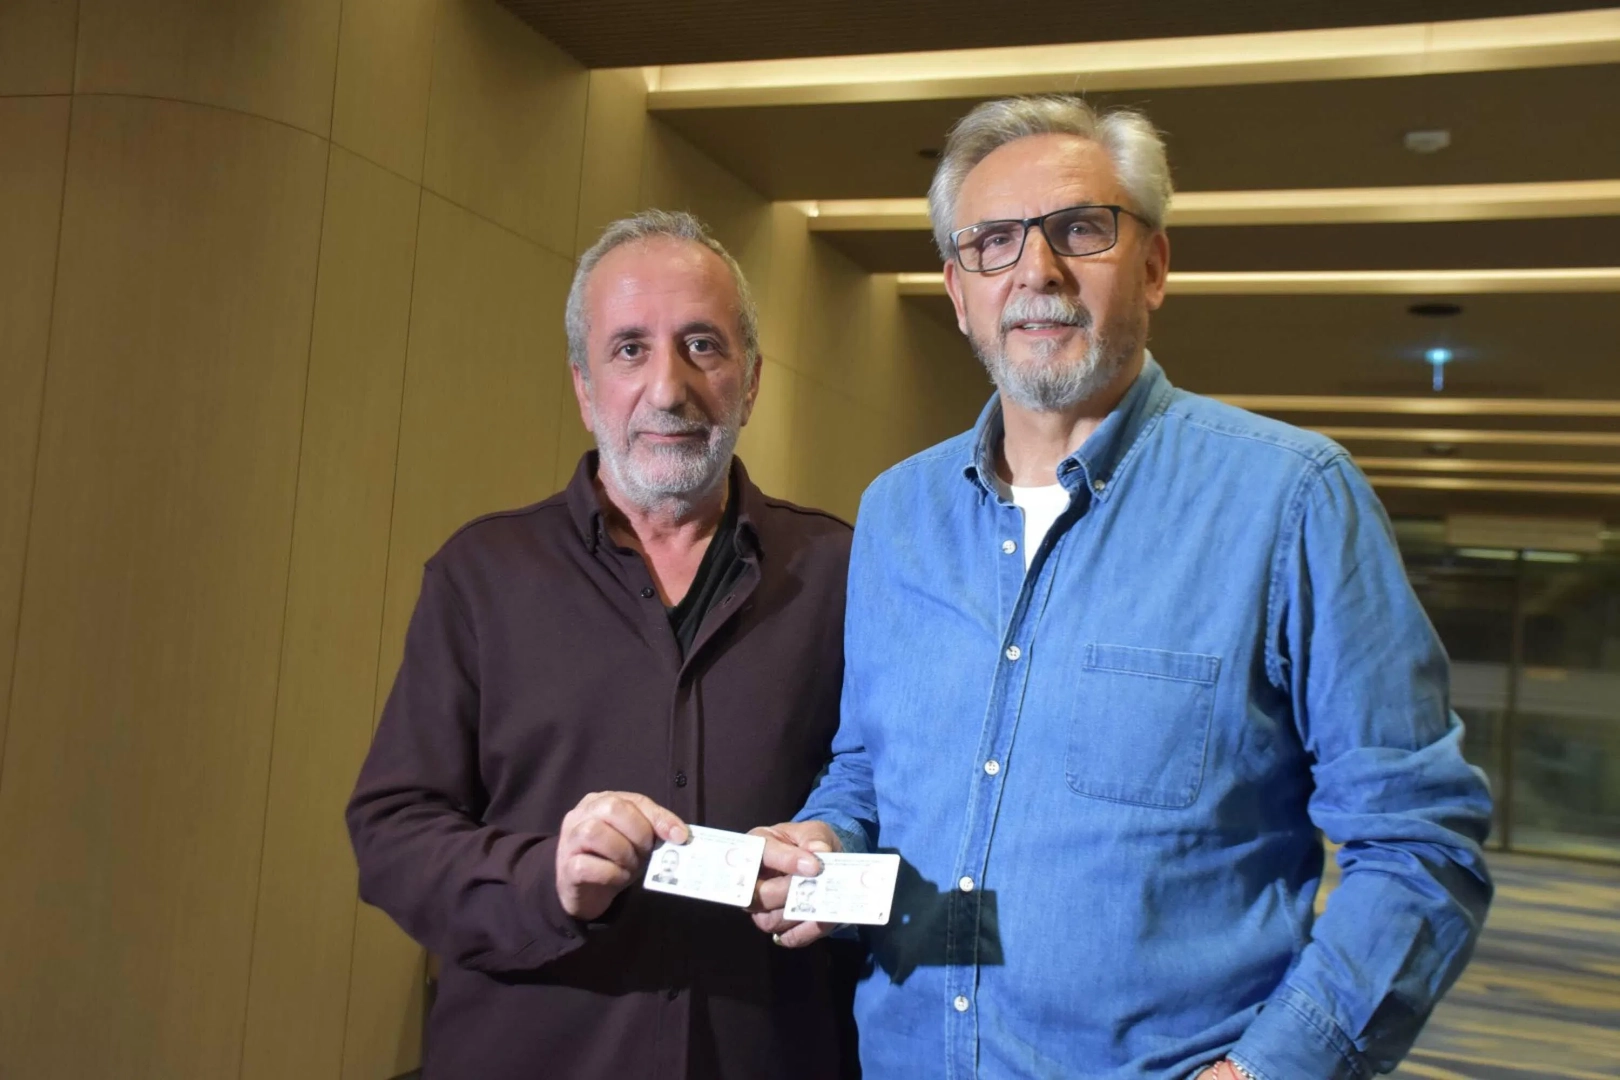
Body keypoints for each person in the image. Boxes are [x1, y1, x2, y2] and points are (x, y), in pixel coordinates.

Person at [750, 96, 1494, 1080]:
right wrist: (827, 832)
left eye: (1080, 230)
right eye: (993, 242)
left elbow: (1419, 842)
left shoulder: (1289, 500)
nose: (1036, 271)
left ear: (1153, 266)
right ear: (959, 292)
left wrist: (1269, 1072)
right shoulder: (898, 513)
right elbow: (868, 767)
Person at [348, 210, 860, 1080]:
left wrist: (838, 853)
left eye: (702, 345)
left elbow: (901, 796)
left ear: (750, 382)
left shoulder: (844, 574)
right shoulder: (482, 576)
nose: (668, 388)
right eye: (629, 349)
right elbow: (393, 834)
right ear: (585, 389)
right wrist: (545, 878)